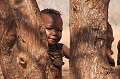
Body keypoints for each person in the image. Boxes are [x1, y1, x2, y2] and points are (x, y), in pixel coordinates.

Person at [40, 9, 69, 79]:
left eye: (59, 30)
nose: (55, 33)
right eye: (49, 29)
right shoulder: (35, 49)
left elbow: (76, 56)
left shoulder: (61, 48)